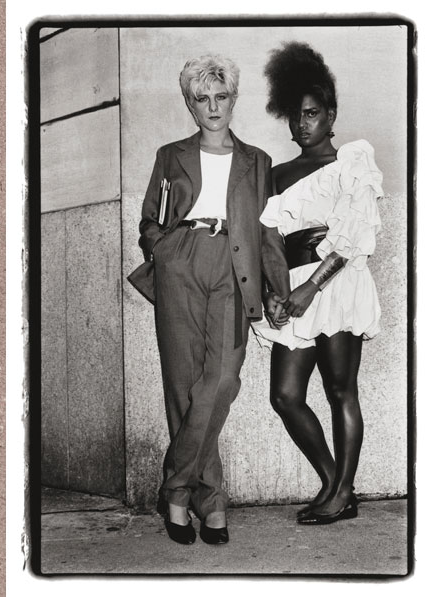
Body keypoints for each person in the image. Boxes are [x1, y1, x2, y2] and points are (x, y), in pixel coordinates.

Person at [138, 55, 289, 545]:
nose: (212, 107)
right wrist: (163, 249)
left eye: (220, 97)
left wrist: (277, 289)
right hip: (181, 261)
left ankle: (177, 489)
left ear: (233, 99)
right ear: (190, 102)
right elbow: (150, 219)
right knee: (184, 387)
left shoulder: (257, 162)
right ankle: (212, 500)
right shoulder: (170, 154)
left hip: (235, 267)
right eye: (201, 98)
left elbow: (268, 233)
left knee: (221, 380)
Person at [251, 42, 383, 525]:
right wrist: (273, 292)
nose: (301, 123)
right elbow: (268, 239)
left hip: (338, 283)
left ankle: (341, 490)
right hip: (293, 286)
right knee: (285, 395)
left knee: (340, 390)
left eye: (311, 114)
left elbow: (354, 237)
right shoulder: (278, 173)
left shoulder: (352, 160)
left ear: (331, 114)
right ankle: (336, 485)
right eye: (295, 115)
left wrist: (311, 289)